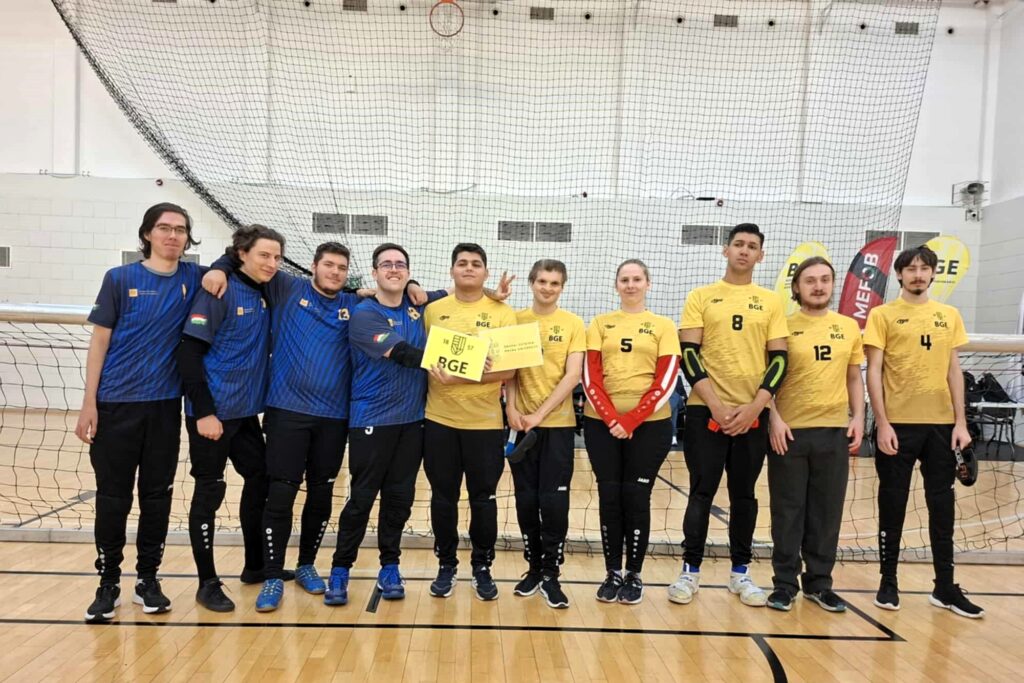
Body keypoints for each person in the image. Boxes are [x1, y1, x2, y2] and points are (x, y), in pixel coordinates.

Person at [201, 241, 374, 612]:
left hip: (334, 418)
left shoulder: (353, 304)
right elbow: (243, 256)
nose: (335, 272)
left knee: (322, 493)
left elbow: (399, 296)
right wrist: (217, 268)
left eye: (342, 268)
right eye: (329, 265)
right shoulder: (286, 287)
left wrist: (412, 287)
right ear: (314, 266)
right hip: (287, 413)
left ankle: (307, 564)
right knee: (280, 493)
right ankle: (272, 575)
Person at [76, 203, 204, 622]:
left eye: (180, 229)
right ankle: (108, 582)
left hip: (164, 408)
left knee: (157, 497)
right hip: (115, 405)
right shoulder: (120, 279)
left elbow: (236, 268)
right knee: (113, 498)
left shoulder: (195, 279)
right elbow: (99, 342)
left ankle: (147, 579)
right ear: (148, 233)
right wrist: (89, 403)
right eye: (164, 228)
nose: (173, 235)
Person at [670, 223, 788, 608]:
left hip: (752, 415)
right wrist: (717, 406)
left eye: (752, 246)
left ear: (760, 255)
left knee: (744, 495)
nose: (744, 250)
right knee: (701, 491)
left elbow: (779, 360)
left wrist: (755, 407)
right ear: (726, 250)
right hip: (706, 413)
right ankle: (690, 572)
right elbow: (689, 355)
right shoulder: (701, 296)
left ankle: (741, 573)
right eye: (738, 244)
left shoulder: (771, 302)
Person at [864, 245, 983, 618]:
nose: (917, 274)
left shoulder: (948, 315)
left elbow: (953, 371)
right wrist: (882, 422)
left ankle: (945, 587)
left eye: (924, 268)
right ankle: (888, 582)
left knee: (942, 508)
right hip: (897, 427)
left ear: (933, 273)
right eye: (911, 268)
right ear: (899, 274)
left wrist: (960, 422)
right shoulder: (882, 315)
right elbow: (873, 372)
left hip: (942, 428)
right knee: (893, 505)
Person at [325, 243, 446, 606]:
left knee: (399, 500)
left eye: (400, 264)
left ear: (408, 272)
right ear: (374, 272)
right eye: (386, 264)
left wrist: (490, 293)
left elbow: (455, 292)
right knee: (361, 500)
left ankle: (390, 566)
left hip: (412, 423)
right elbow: (404, 354)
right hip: (372, 421)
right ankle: (340, 568)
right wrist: (460, 361)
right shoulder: (364, 314)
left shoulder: (417, 306)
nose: (394, 269)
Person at [177, 224, 283, 612]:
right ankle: (207, 583)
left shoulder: (266, 290)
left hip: (245, 414)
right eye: (263, 255)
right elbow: (188, 353)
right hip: (212, 415)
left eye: (276, 257)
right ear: (242, 254)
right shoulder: (217, 291)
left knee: (261, 478)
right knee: (209, 492)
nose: (271, 263)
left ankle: (255, 566)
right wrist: (204, 412)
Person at [766, 257, 864, 613]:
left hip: (834, 431)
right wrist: (773, 418)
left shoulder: (848, 327)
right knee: (788, 512)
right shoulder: (782, 326)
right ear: (796, 287)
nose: (818, 286)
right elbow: (766, 378)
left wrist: (859, 416)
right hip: (789, 433)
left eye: (825, 279)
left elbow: (853, 377)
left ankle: (819, 584)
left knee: (826, 512)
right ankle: (784, 584)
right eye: (810, 280)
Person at [582, 259, 680, 605]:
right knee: (610, 497)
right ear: (616, 285)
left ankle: (634, 574)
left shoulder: (663, 326)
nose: (631, 285)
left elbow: (666, 379)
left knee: (637, 498)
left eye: (637, 279)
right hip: (601, 424)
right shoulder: (600, 323)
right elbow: (590, 376)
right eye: (624, 279)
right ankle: (612, 572)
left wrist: (631, 420)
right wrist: (612, 419)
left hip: (649, 426)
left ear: (647, 284)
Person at [423, 243, 517, 601]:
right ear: (452, 271)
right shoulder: (434, 311)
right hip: (439, 421)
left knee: (483, 499)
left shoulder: (502, 313)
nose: (468, 268)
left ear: (485, 273)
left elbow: (508, 371)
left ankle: (482, 566)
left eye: (476, 264)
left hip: (485, 424)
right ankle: (446, 565)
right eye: (462, 263)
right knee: (443, 498)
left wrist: (459, 378)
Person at [505, 259, 585, 609]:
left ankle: (552, 573)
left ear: (562, 287)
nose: (547, 288)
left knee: (553, 502)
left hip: (557, 427)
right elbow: (509, 370)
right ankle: (534, 568)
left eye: (554, 283)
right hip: (520, 426)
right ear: (531, 283)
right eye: (542, 281)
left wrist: (540, 414)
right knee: (526, 499)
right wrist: (511, 408)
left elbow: (573, 375)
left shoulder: (573, 324)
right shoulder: (516, 320)